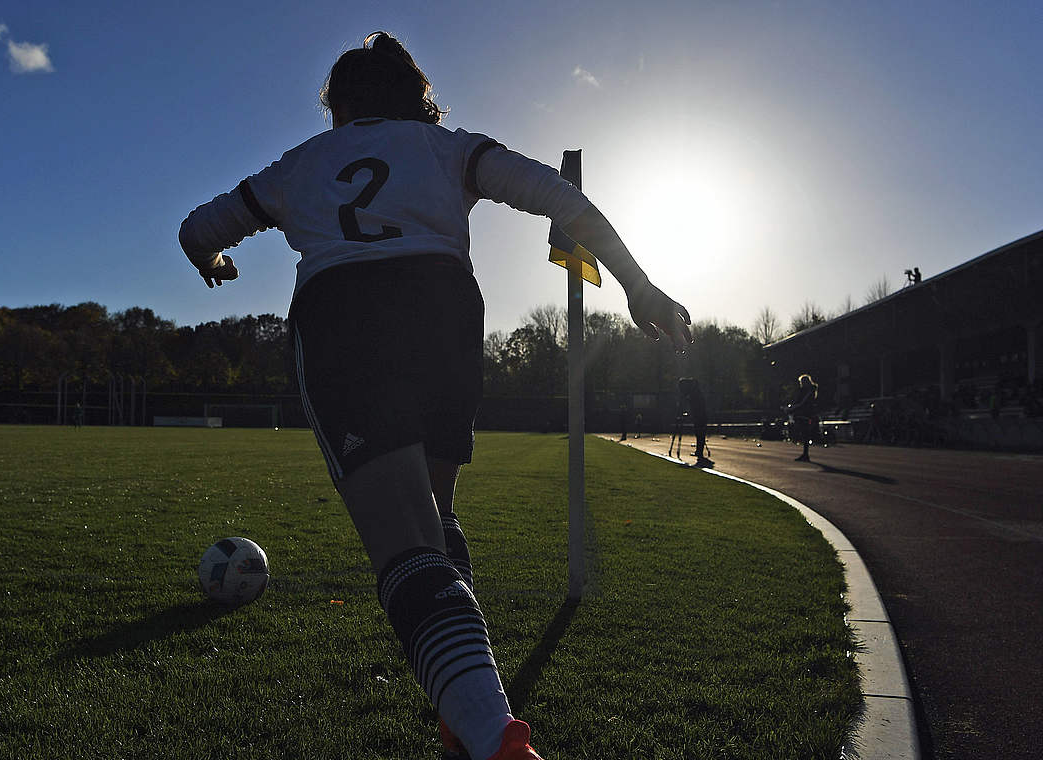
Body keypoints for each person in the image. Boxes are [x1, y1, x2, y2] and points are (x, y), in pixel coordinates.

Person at [178, 32, 692, 760]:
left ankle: (495, 740)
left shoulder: (301, 165)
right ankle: (463, 720)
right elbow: (561, 195)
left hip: (347, 316)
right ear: (416, 97)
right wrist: (637, 282)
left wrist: (215, 260)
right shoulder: (452, 149)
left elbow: (197, 228)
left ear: (342, 104)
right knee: (438, 521)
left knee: (407, 550)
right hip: (444, 314)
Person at [678, 377, 709, 465]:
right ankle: (699, 451)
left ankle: (699, 452)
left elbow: (695, 406)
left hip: (700, 416)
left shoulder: (694, 394)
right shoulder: (695, 392)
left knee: (700, 433)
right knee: (699, 434)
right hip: (700, 416)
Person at [787, 374, 819, 461]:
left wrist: (792, 408)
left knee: (805, 433)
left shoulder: (809, 391)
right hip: (803, 413)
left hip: (806, 413)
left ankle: (805, 454)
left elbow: (803, 403)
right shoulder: (807, 390)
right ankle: (805, 454)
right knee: (804, 433)